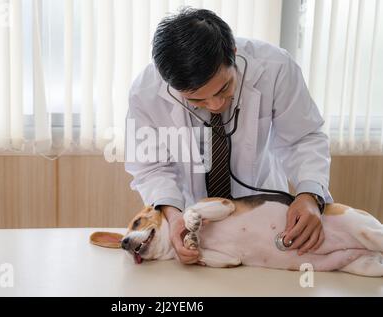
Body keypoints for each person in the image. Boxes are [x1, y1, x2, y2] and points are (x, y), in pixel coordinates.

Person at [125, 8, 333, 265]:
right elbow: (151, 168)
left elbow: (303, 137)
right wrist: (174, 215)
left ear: (233, 53)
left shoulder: (276, 67)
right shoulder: (145, 93)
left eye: (224, 88)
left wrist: (310, 195)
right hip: (196, 221)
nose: (214, 105)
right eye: (196, 99)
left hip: (266, 212)